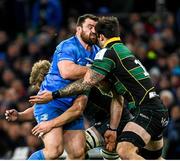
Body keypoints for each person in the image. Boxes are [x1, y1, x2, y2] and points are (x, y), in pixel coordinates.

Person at [30, 16, 169, 160]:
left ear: (101, 36)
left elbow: (84, 83)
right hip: (156, 110)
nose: (93, 35)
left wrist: (54, 94)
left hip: (142, 112)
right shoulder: (121, 50)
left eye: (95, 31)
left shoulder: (104, 54)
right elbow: (117, 96)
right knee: (153, 158)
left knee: (122, 151)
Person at [7, 14, 99, 160]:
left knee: (78, 153)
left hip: (72, 106)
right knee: (54, 150)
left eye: (96, 27)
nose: (94, 30)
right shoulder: (67, 45)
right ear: (78, 29)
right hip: (51, 104)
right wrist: (97, 72)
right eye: (90, 27)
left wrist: (21, 115)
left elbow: (78, 108)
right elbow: (67, 72)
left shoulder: (96, 52)